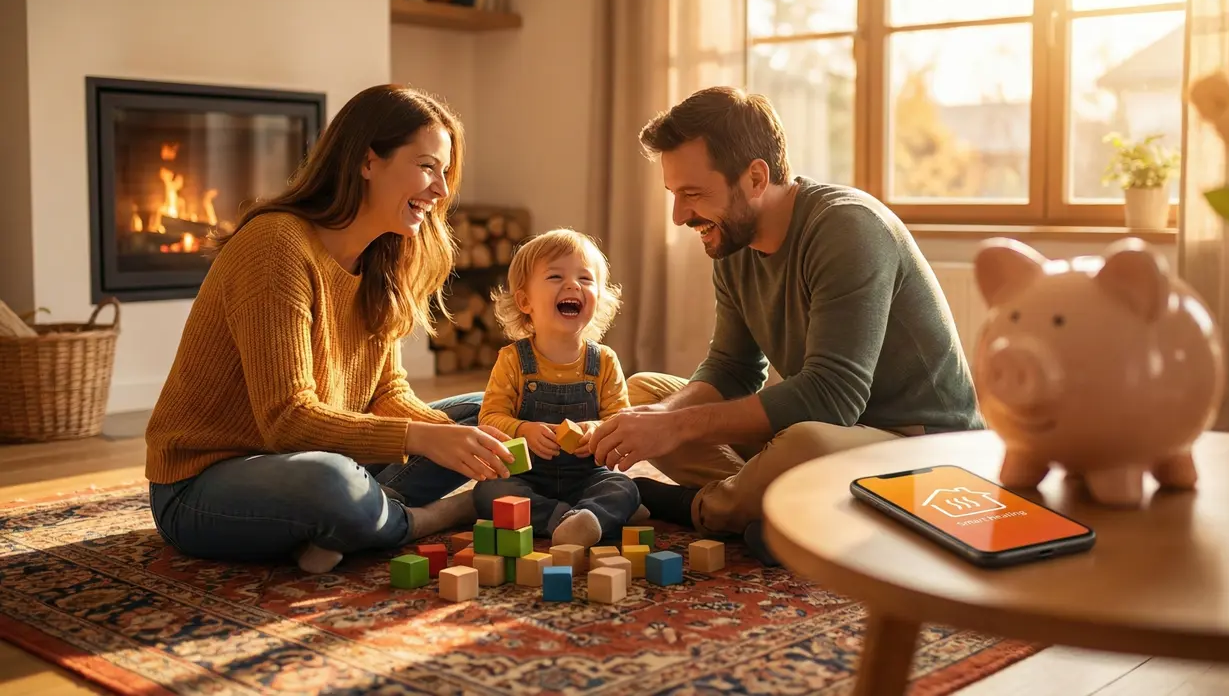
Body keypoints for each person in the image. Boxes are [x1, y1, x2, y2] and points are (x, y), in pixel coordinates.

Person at [589, 86, 983, 563]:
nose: (679, 216)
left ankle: (708, 509)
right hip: (838, 437)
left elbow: (833, 397)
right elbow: (732, 369)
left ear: (756, 177)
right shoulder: (733, 242)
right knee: (646, 394)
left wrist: (680, 427)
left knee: (804, 440)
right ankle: (778, 512)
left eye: (693, 194)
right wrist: (663, 419)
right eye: (674, 195)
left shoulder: (847, 228)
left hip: (921, 451)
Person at [144, 84, 515, 575]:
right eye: (427, 166)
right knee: (330, 480)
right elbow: (287, 421)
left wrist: (450, 437)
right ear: (367, 161)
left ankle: (350, 519)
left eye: (445, 173)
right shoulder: (276, 247)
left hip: (319, 456)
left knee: (482, 414)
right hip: (201, 486)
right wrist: (422, 441)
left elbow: (387, 390)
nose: (442, 190)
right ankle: (417, 518)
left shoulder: (382, 258)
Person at [472, 229, 643, 548]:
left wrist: (597, 429)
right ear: (525, 301)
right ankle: (568, 519)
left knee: (624, 488)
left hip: (587, 477)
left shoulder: (604, 361)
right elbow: (490, 419)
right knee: (487, 493)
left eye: (585, 278)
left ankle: (588, 515)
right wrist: (523, 429)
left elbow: (620, 420)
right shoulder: (513, 361)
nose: (572, 285)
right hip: (527, 476)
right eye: (555, 276)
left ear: (599, 297)